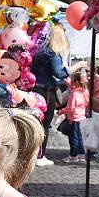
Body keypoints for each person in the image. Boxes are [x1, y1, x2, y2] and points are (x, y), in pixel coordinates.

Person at [31, 23, 69, 166]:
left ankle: (32, 154)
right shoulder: (53, 53)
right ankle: (40, 155)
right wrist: (69, 70)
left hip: (35, 90)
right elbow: (58, 73)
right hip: (47, 91)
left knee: (35, 123)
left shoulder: (39, 51)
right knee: (45, 125)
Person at [61, 64, 89, 162]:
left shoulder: (74, 94)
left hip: (74, 118)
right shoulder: (84, 91)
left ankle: (73, 156)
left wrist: (61, 111)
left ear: (76, 81)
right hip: (82, 117)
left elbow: (70, 108)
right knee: (80, 137)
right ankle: (82, 155)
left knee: (73, 138)